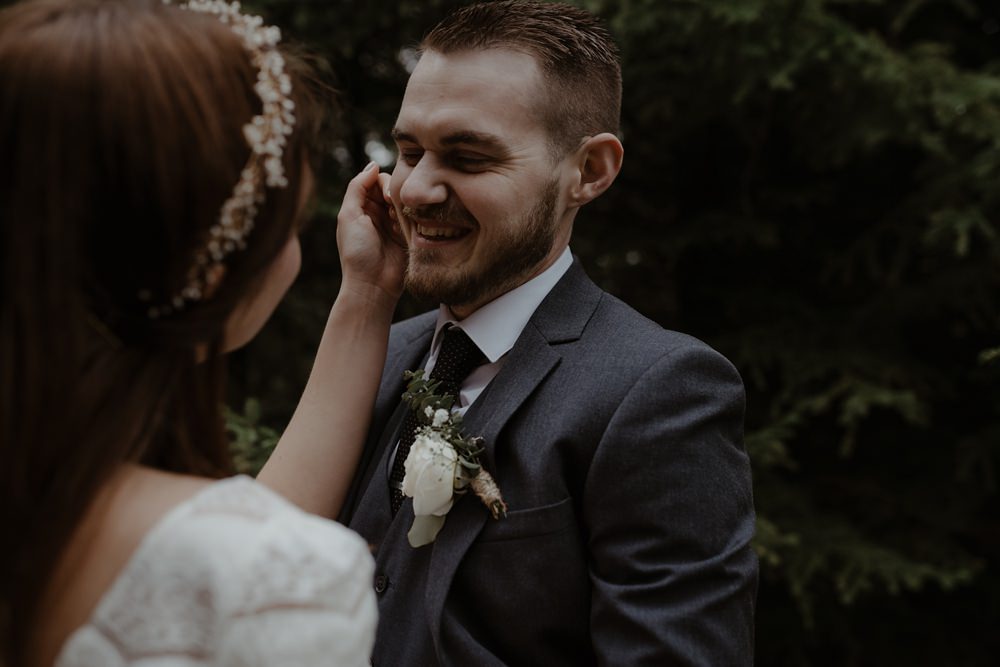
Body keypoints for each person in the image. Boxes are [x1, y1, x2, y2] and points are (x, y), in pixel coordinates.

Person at [338, 1, 758, 665]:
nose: (414, 190)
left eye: (468, 157)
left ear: (589, 171)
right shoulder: (378, 353)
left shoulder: (660, 390)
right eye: (409, 151)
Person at [0, 1, 404, 665]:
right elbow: (218, 567)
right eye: (291, 226)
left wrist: (365, 300)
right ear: (212, 272)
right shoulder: (279, 583)